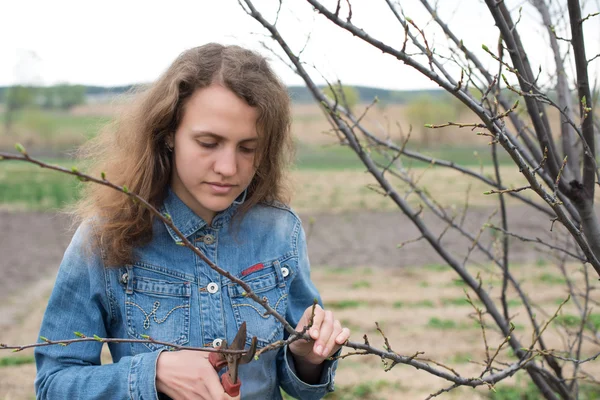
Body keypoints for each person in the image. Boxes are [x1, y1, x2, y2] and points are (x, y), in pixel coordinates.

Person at [34, 43, 351, 400]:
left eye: (247, 148)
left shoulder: (280, 231)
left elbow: (302, 383)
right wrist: (150, 374)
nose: (228, 168)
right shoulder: (104, 237)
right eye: (208, 142)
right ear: (168, 133)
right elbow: (54, 383)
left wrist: (308, 357)